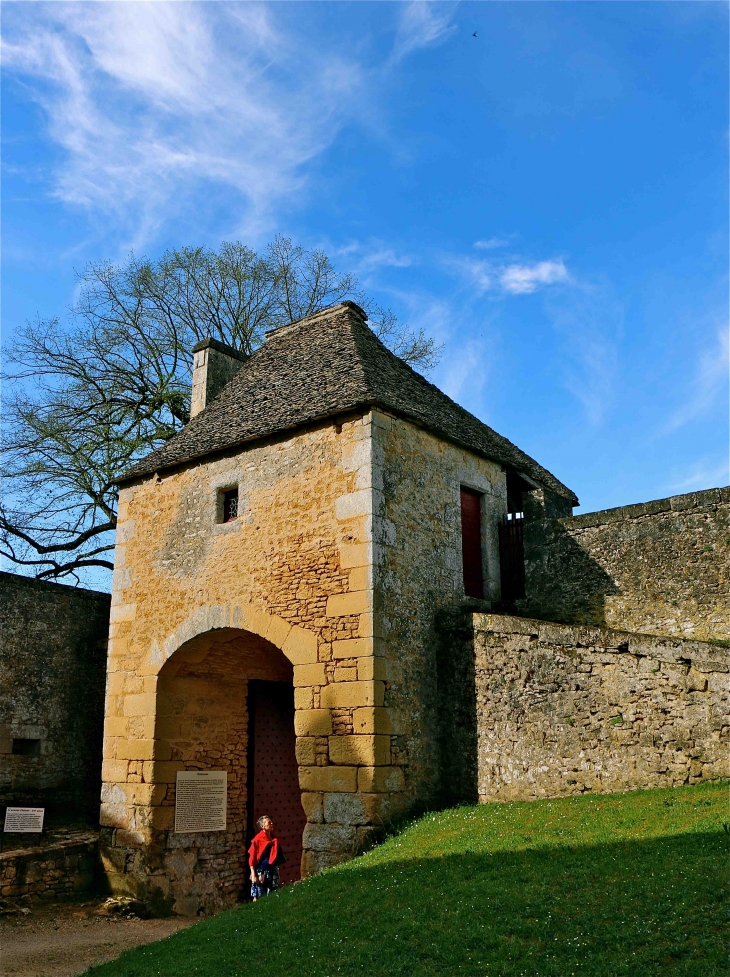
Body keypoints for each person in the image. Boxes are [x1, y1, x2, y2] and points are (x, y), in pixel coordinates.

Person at [248, 815, 285, 901]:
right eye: (269, 822)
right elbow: (252, 858)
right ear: (262, 826)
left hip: (273, 870)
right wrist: (253, 874)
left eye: (271, 822)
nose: (272, 823)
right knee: (259, 897)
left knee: (273, 896)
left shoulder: (273, 838)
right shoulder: (257, 840)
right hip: (261, 872)